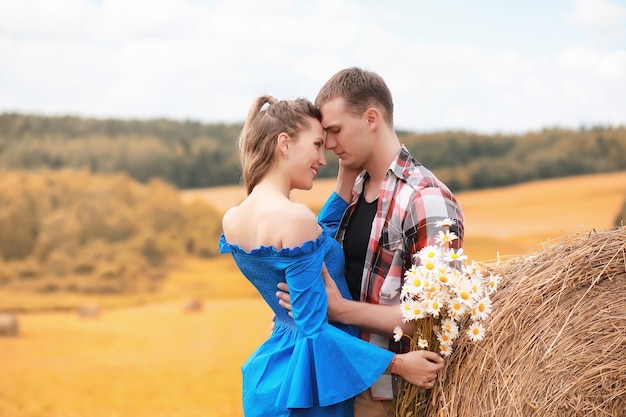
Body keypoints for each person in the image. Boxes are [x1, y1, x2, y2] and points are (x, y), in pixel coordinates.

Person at [219, 95, 445, 417]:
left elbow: (317, 240)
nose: (322, 158)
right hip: (314, 381)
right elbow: (315, 331)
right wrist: (398, 364)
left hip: (275, 369)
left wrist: (344, 179)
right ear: (284, 144)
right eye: (315, 145)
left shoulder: (234, 218)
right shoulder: (295, 220)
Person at [276, 67, 465, 417]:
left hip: (386, 394)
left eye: (334, 131)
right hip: (343, 378)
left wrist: (339, 309)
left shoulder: (426, 200)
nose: (329, 145)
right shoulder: (355, 191)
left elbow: (431, 318)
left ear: (371, 118)